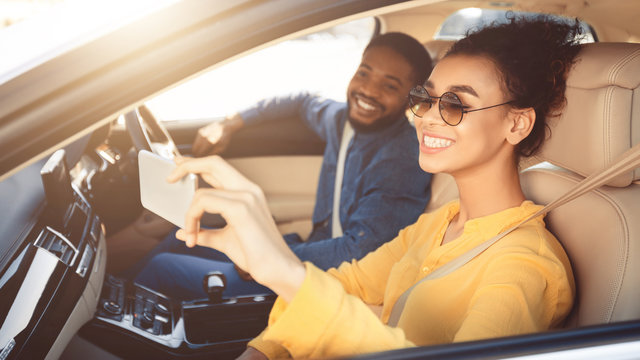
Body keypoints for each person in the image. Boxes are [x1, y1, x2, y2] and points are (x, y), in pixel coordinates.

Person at [167, 16, 584, 359]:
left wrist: (281, 267)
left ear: (517, 123)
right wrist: (264, 349)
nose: (427, 118)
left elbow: (316, 295)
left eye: (456, 104)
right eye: (425, 98)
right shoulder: (438, 225)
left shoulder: (525, 267)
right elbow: (340, 286)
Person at [132, 32, 434, 299]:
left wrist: (267, 255)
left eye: (390, 86)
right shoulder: (341, 121)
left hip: (327, 282)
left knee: (164, 269)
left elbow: (360, 252)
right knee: (180, 238)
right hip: (311, 249)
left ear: (411, 99)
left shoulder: (401, 159)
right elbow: (300, 101)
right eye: (364, 74)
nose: (368, 90)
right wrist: (230, 124)